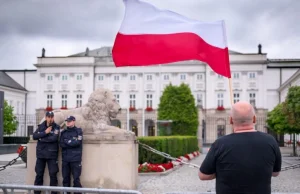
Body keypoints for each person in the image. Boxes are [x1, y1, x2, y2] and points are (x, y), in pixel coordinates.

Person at [199, 101, 282, 194]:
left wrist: (220, 170)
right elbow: (275, 173)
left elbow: (203, 175)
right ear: (254, 119)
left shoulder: (220, 143)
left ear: (230, 120)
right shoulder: (270, 141)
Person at [33, 111, 60, 194]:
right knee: (39, 174)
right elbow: (34, 136)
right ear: (46, 117)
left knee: (53, 175)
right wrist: (45, 132)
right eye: (49, 117)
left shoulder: (56, 127)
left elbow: (54, 139)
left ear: (53, 117)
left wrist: (41, 138)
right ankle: (37, 192)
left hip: (52, 155)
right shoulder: (41, 126)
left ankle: (54, 193)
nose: (50, 118)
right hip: (41, 155)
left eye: (52, 117)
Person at [60, 116, 83, 192]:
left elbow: (78, 142)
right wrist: (71, 142)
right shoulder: (63, 132)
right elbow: (62, 144)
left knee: (76, 180)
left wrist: (67, 141)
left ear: (74, 121)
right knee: (65, 179)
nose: (68, 122)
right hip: (66, 159)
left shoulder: (78, 131)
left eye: (69, 121)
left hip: (75, 159)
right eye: (67, 121)